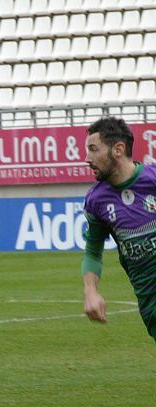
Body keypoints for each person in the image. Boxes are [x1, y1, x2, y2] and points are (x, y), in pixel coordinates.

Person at [82, 116, 156, 343]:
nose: (87, 159)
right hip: (149, 299)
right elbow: (93, 251)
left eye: (93, 150)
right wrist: (90, 292)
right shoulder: (96, 201)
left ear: (118, 149)